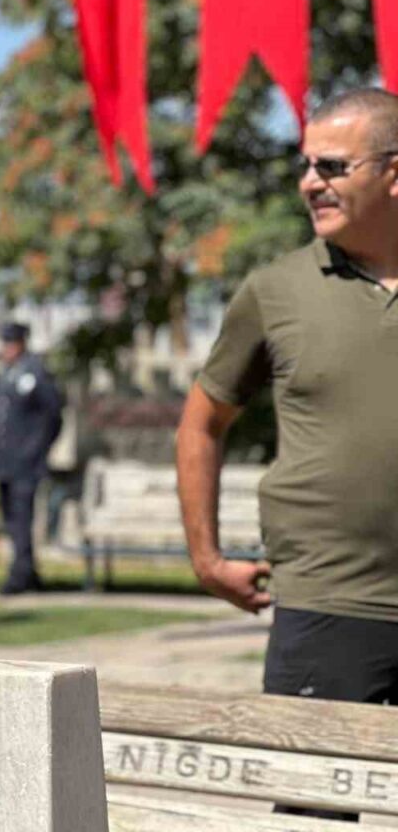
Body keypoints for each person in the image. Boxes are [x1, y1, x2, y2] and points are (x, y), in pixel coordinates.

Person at [176, 88, 398, 822]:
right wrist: (206, 557)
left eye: (332, 165)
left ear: (393, 174)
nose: (310, 181)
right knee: (311, 819)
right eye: (305, 165)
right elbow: (202, 424)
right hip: (327, 607)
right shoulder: (275, 292)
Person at [0, 321, 62, 594]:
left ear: (21, 343)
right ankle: (28, 571)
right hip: (5, 462)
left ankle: (20, 575)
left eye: (11, 343)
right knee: (11, 520)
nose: (6, 348)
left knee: (22, 519)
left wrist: (37, 449)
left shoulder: (36, 373)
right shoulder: (5, 375)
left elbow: (53, 416)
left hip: (26, 462)